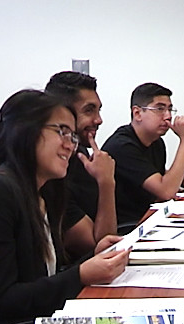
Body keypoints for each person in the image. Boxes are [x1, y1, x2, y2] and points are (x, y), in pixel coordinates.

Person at [0, 90, 128, 324]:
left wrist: (90, 259)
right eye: (61, 131)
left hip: (36, 319)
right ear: (24, 131)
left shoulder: (40, 192)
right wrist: (80, 274)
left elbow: (43, 278)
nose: (70, 144)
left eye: (72, 135)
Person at [42, 71, 117, 257]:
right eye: (89, 110)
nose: (99, 120)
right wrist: (107, 182)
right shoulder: (52, 170)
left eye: (99, 110)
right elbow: (99, 246)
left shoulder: (80, 155)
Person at [101, 82, 184, 225]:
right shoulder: (122, 146)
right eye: (160, 109)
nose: (168, 116)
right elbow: (166, 191)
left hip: (150, 216)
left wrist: (183, 178)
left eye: (170, 109)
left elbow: (152, 175)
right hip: (128, 226)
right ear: (137, 113)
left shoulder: (156, 142)